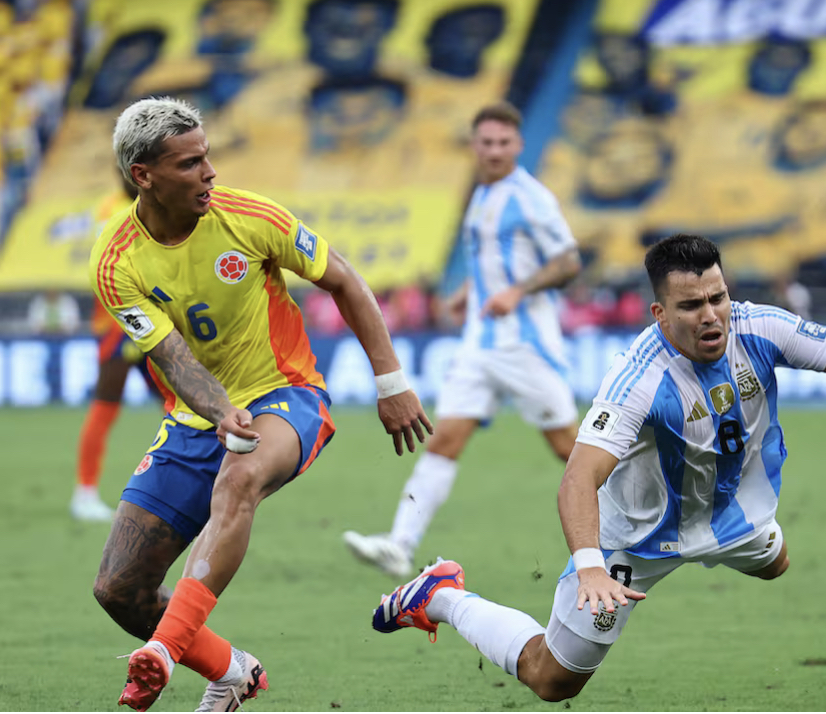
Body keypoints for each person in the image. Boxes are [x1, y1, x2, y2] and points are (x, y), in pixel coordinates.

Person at [365, 233, 826, 702]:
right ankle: (442, 595)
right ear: (660, 313)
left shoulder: (759, 326)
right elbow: (578, 477)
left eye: (717, 297)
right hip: (635, 541)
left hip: (731, 516)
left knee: (776, 564)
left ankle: (744, 539)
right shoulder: (638, 378)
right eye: (692, 306)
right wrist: (592, 568)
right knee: (552, 680)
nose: (712, 315)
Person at [90, 96, 432, 712]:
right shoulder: (116, 261)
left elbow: (343, 279)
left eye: (207, 156)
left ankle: (163, 650)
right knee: (119, 588)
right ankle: (231, 671)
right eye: (190, 163)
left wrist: (391, 383)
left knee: (240, 475)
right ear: (144, 176)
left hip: (288, 393)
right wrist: (219, 411)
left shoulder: (249, 217)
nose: (210, 173)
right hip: (196, 417)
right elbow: (171, 356)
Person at [343, 101, 583, 577]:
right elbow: (499, 259)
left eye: (503, 143)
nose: (494, 151)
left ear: (518, 145)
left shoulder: (530, 198)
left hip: (525, 345)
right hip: (479, 345)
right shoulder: (482, 193)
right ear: (474, 145)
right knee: (443, 441)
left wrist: (517, 292)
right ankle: (399, 545)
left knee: (569, 448)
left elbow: (568, 261)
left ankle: (648, 511)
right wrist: (470, 292)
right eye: (486, 142)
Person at [73, 179, 147, 522]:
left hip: (158, 320)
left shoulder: (156, 204)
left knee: (181, 405)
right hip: (118, 323)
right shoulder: (112, 209)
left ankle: (189, 486)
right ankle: (85, 492)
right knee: (106, 403)